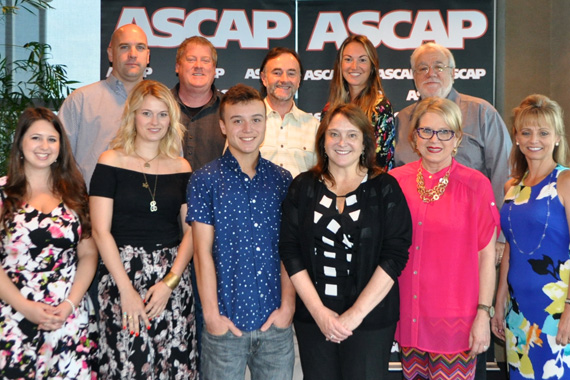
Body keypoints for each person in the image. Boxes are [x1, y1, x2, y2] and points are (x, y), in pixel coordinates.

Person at [279, 103, 412, 379]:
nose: (342, 142)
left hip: (370, 321)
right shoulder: (302, 187)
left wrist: (354, 315)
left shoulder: (385, 188)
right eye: (334, 134)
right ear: (323, 141)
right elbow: (290, 251)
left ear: (365, 143)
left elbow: (395, 255)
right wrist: (319, 313)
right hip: (314, 320)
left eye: (352, 135)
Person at [187, 84, 295, 380]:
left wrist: (287, 308)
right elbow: (202, 253)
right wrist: (211, 316)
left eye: (256, 119)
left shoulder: (282, 180)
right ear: (223, 126)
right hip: (224, 328)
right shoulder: (204, 180)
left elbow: (289, 249)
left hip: (275, 327)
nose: (248, 129)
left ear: (265, 123)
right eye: (237, 120)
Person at [90, 80, 196, 379]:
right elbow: (100, 231)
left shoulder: (181, 166)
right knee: (128, 366)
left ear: (171, 120)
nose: (154, 122)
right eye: (146, 113)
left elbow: (191, 230)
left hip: (171, 281)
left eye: (163, 114)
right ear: (132, 115)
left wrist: (170, 283)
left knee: (175, 364)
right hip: (121, 275)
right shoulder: (110, 161)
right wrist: (126, 289)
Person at [390, 97, 499, 380]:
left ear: (457, 138)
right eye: (425, 131)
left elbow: (486, 256)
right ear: (414, 137)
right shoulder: (396, 181)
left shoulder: (476, 185)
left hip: (456, 327)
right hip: (409, 320)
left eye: (444, 132)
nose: (433, 139)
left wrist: (483, 315)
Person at [0, 108, 98, 379]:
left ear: (61, 147)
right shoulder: (3, 194)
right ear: (20, 142)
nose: (44, 146)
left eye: (52, 139)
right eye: (35, 138)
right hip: (12, 317)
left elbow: (88, 254)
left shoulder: (76, 194)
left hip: (66, 318)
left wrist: (69, 305)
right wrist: (25, 306)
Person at [491, 94, 570, 379]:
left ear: (557, 138)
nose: (534, 139)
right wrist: (499, 303)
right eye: (526, 132)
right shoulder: (512, 187)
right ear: (516, 138)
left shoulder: (565, 181)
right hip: (518, 310)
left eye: (543, 132)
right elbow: (511, 249)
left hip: (556, 310)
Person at [59, 23, 150, 188]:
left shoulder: (163, 105)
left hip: (147, 210)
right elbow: (58, 161)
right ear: (110, 53)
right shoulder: (80, 101)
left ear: (148, 56)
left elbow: (174, 161)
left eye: (140, 47)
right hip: (88, 208)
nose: (133, 54)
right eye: (124, 47)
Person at [324, 35, 396, 172]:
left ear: (372, 66)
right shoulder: (329, 109)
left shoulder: (380, 108)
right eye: (348, 59)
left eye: (362, 60)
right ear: (340, 65)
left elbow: (381, 161)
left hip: (370, 187)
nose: (354, 66)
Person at [259, 47, 319, 177]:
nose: (284, 79)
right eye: (277, 72)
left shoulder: (314, 126)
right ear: (264, 78)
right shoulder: (246, 122)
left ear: (299, 80)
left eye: (291, 73)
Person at [172, 36, 226, 171]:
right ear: (178, 67)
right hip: (166, 191)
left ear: (214, 70)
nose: (198, 66)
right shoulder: (160, 106)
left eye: (205, 61)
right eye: (191, 59)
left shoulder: (229, 109)